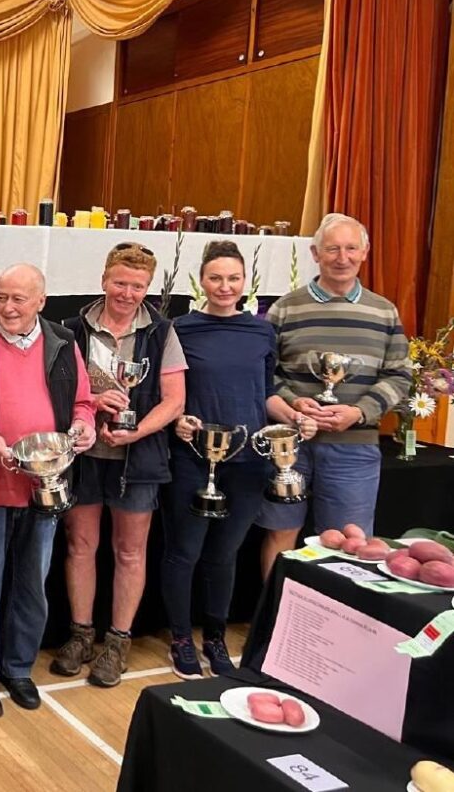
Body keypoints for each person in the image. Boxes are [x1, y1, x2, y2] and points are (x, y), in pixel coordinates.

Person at [0, 263, 97, 717]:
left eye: (18, 299)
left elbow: (83, 403)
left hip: (45, 489)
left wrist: (84, 426)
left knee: (33, 585)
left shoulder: (64, 343)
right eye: (1, 297)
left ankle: (17, 669)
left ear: (41, 302)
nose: (7, 307)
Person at [163, 241, 317, 680]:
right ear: (202, 281)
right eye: (216, 278)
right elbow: (168, 392)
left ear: (244, 282)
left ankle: (214, 635)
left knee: (224, 553)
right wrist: (180, 421)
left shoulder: (261, 332)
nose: (224, 286)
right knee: (184, 551)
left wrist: (293, 417)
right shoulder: (180, 330)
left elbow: (265, 393)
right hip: (195, 458)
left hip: (249, 461)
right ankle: (179, 637)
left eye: (233, 278)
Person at [55, 242, 186, 688]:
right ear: (103, 280)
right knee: (80, 546)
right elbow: (60, 390)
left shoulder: (162, 332)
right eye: (119, 283)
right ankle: (80, 635)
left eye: (137, 286)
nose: (127, 293)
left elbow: (175, 401)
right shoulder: (73, 329)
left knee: (130, 552)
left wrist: (137, 430)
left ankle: (118, 641)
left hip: (139, 458)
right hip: (85, 456)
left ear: (147, 287)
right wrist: (92, 405)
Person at [256, 213, 411, 577]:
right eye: (332, 249)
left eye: (351, 248)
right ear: (315, 253)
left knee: (349, 541)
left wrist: (357, 413)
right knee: (281, 533)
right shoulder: (286, 308)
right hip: (289, 443)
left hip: (353, 446)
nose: (342, 257)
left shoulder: (384, 311)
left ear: (365, 252)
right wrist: (294, 401)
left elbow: (400, 374)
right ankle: (274, 622)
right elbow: (264, 373)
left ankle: (331, 631)